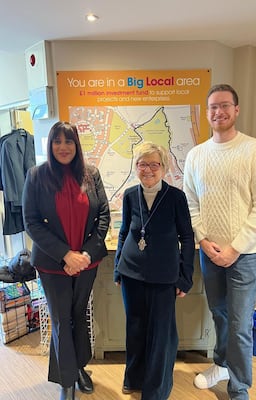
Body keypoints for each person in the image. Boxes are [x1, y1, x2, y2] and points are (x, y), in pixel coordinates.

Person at [183, 84, 256, 400]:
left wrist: (235, 248)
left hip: (245, 254)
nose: (218, 112)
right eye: (212, 107)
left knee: (239, 323)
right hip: (210, 252)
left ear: (236, 110)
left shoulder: (255, 150)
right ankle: (222, 364)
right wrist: (204, 242)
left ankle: (239, 387)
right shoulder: (196, 155)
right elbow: (191, 203)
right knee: (220, 314)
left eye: (224, 106)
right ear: (207, 113)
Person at [22, 121, 110, 400]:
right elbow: (32, 223)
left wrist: (84, 254)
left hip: (86, 263)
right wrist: (65, 255)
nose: (63, 147)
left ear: (76, 145)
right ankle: (67, 381)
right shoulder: (37, 176)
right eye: (57, 141)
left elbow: (103, 216)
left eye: (68, 141)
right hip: (52, 264)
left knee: (79, 315)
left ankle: (79, 367)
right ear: (50, 145)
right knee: (60, 320)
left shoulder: (91, 174)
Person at [114, 142, 195, 400]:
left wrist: (185, 276)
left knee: (161, 333)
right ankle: (134, 377)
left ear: (163, 167)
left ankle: (156, 389)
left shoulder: (176, 197)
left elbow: (187, 237)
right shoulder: (129, 195)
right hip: (131, 274)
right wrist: (118, 267)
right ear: (135, 166)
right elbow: (124, 232)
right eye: (142, 164)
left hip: (164, 275)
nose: (147, 170)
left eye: (153, 164)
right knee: (135, 328)